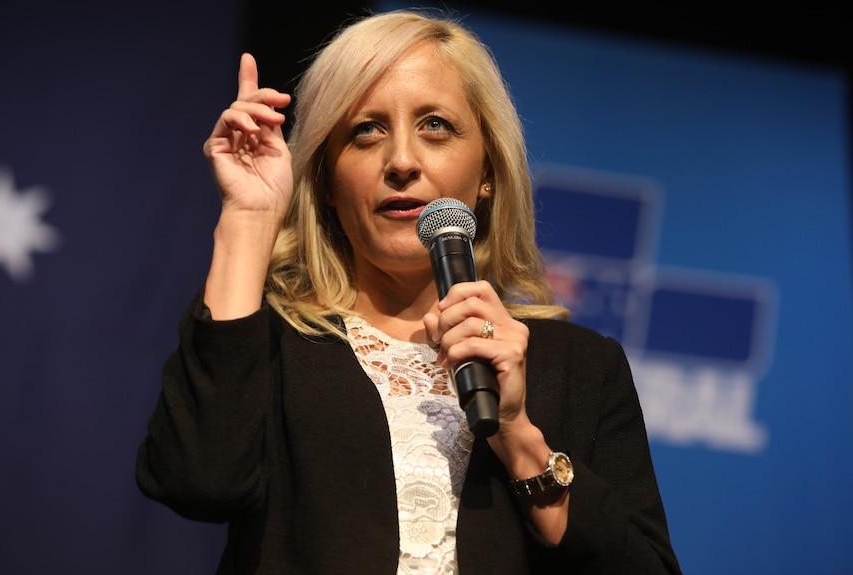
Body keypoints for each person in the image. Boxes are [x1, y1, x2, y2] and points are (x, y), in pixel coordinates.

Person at [136, 8, 681, 575]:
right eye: (365, 130)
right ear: (323, 177)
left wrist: (519, 436)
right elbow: (197, 483)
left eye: (435, 126)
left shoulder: (580, 368)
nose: (401, 161)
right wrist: (249, 219)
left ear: (488, 169)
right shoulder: (267, 343)